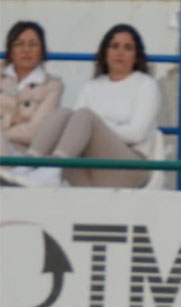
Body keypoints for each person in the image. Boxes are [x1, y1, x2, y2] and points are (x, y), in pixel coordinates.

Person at [5, 24, 161, 188]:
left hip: (128, 169)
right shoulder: (91, 87)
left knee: (85, 116)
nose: (120, 53)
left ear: (136, 56)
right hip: (90, 169)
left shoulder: (146, 85)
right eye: (114, 46)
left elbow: (136, 134)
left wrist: (97, 126)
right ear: (105, 52)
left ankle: (54, 169)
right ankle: (28, 164)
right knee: (64, 113)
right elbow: (75, 127)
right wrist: (94, 127)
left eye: (128, 48)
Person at [1, 21, 63, 159]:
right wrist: (9, 120)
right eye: (19, 44)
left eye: (33, 44)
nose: (26, 50)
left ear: (42, 50)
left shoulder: (52, 85)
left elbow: (35, 132)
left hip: (25, 154)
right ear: (10, 50)